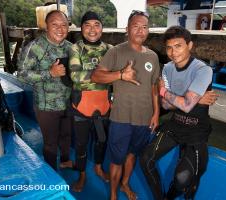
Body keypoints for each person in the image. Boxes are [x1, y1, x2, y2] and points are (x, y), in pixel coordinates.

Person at [91, 10, 160, 200]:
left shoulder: (153, 57)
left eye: (144, 27)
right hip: (121, 118)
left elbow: (154, 87)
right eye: (136, 26)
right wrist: (121, 74)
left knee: (132, 155)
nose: (140, 31)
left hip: (144, 118)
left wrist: (156, 114)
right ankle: (113, 195)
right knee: (117, 159)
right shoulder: (116, 51)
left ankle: (125, 184)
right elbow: (96, 76)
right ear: (127, 29)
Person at [139, 26, 215, 200]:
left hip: (197, 130)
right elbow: (168, 105)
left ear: (189, 45)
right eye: (169, 47)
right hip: (175, 125)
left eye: (178, 46)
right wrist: (193, 99)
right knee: (145, 158)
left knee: (183, 179)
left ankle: (171, 196)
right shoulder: (167, 68)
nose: (173, 52)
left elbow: (182, 103)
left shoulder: (203, 70)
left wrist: (165, 92)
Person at [17, 10, 72, 170]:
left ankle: (65, 160)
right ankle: (51, 172)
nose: (60, 29)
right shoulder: (35, 47)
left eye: (64, 25)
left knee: (66, 136)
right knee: (50, 142)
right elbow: (22, 75)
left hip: (68, 102)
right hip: (46, 106)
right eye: (55, 25)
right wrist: (50, 73)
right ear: (46, 27)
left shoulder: (70, 47)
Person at [68, 11, 112, 192]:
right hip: (81, 105)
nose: (92, 29)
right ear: (81, 28)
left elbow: (117, 78)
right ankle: (82, 174)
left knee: (102, 140)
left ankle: (99, 168)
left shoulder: (110, 49)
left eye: (96, 25)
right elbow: (75, 76)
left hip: (103, 104)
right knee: (81, 143)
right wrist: (106, 76)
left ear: (102, 28)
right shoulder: (75, 49)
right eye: (87, 25)